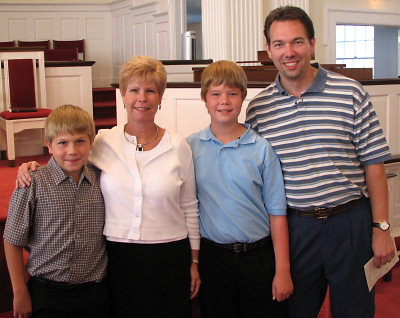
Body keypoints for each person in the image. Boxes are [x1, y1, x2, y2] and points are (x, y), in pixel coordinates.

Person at [17, 55, 200, 318]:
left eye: (151, 90)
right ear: (123, 95)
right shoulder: (104, 141)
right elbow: (68, 157)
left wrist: (194, 261)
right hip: (118, 255)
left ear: (161, 97)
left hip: (169, 254)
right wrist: (33, 167)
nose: (142, 98)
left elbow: (190, 208)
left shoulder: (178, 146)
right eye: (134, 90)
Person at [246, 6, 395, 318]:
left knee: (355, 311)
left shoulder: (350, 93)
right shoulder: (258, 110)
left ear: (312, 44)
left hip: (350, 223)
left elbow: (374, 166)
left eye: (297, 42)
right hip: (296, 228)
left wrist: (382, 227)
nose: (289, 52)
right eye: (279, 44)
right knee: (296, 311)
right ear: (269, 50)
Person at [186, 60, 293, 318]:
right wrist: (194, 262)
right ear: (204, 99)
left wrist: (283, 270)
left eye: (233, 93)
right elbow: (188, 209)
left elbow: (277, 213)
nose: (225, 100)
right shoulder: (190, 147)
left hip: (258, 256)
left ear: (243, 97)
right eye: (216, 93)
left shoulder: (261, 149)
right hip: (214, 257)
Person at [4, 105, 109, 318]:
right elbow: (12, 240)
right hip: (47, 293)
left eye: (80, 141)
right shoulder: (32, 182)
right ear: (49, 145)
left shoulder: (102, 179)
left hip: (95, 292)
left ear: (91, 143)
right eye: (63, 143)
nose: (72, 150)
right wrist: (19, 291)